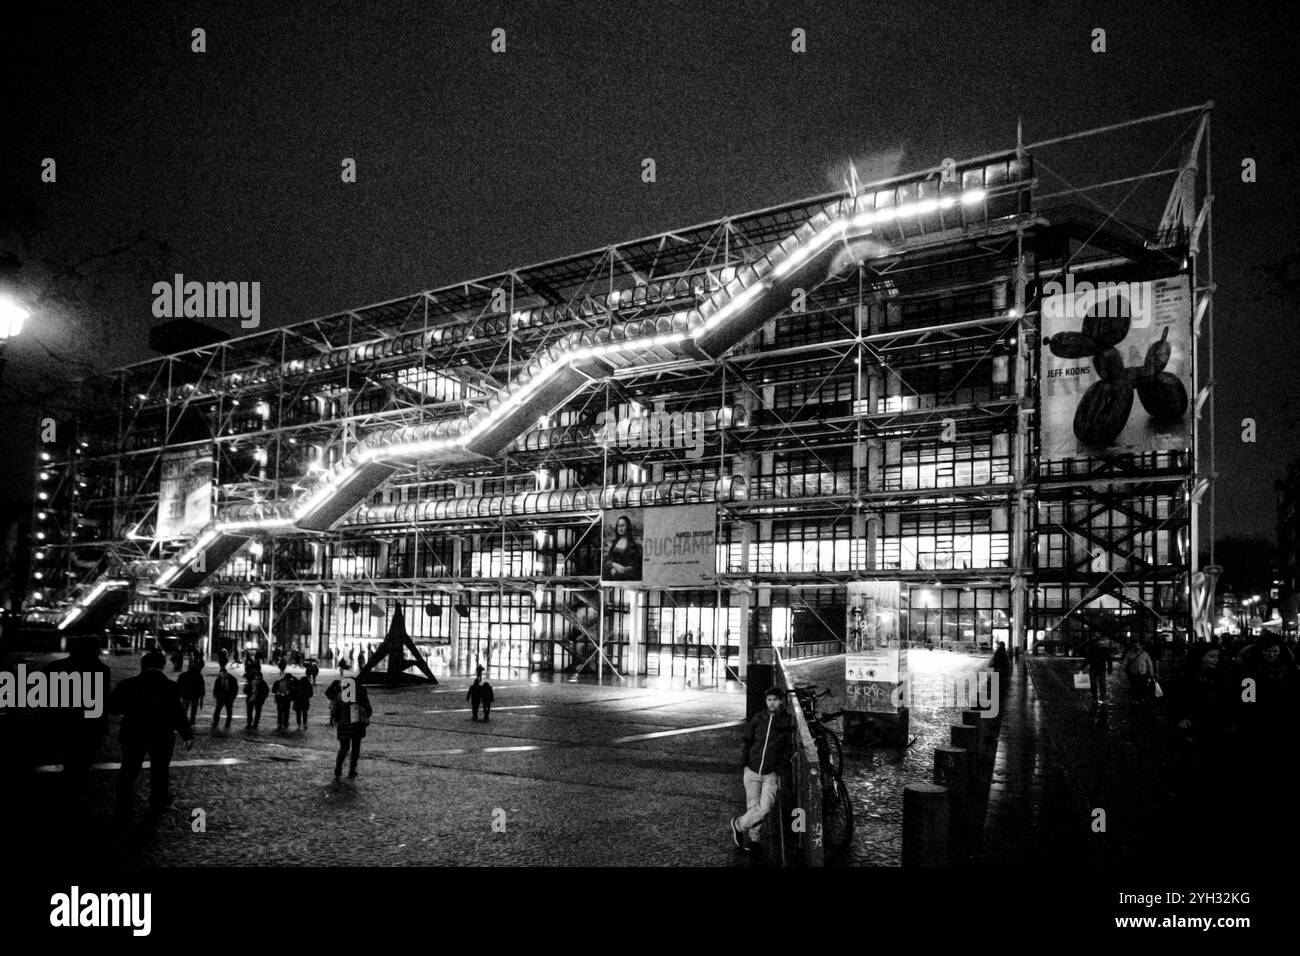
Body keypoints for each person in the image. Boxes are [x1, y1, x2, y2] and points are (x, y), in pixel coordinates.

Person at [109, 651, 194, 821]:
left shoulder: (128, 684)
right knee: (160, 770)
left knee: (129, 769)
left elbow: (113, 708)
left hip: (134, 733)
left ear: (143, 665)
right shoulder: (170, 686)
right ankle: (157, 801)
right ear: (162, 666)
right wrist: (187, 735)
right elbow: (178, 712)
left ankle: (123, 803)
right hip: (161, 735)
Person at [43, 635, 112, 810]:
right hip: (89, 724)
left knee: (68, 756)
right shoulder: (100, 669)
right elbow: (102, 699)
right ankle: (77, 790)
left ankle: (67, 788)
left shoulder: (56, 667)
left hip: (63, 720)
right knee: (83, 760)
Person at [729, 687, 794, 855]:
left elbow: (788, 748)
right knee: (753, 805)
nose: (772, 703)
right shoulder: (758, 718)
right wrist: (745, 763)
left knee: (765, 807)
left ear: (781, 701)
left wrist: (779, 768)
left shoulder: (786, 721)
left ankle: (738, 824)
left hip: (770, 773)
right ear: (766, 701)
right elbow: (747, 741)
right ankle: (755, 839)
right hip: (752, 769)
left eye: (775, 699)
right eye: (769, 699)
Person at [331, 678, 372, 779]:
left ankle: (338, 769)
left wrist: (338, 720)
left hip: (343, 726)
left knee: (344, 748)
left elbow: (334, 713)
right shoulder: (360, 697)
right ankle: (352, 770)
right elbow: (369, 710)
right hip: (357, 726)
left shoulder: (340, 697)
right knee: (356, 748)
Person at [603, 515, 643, 581]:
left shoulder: (633, 545)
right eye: (619, 526)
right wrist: (614, 565)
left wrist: (623, 570)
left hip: (626, 578)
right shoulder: (614, 544)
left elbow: (635, 566)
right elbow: (607, 560)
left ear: (628, 527)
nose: (620, 528)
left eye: (623, 525)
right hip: (612, 575)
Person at [1079, 635, 1113, 705]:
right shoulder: (1093, 649)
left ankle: (1100, 697)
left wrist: (1110, 668)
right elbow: (1087, 658)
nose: (1099, 643)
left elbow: (1109, 659)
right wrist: (1082, 666)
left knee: (1100, 683)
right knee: (1096, 683)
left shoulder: (1103, 649)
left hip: (1098, 668)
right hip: (1096, 668)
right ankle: (1096, 697)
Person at [177, 657, 206, 724]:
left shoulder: (183, 675)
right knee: (193, 709)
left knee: (185, 708)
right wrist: (202, 696)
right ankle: (192, 720)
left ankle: (183, 720)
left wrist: (179, 694)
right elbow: (202, 686)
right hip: (195, 695)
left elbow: (178, 685)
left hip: (186, 695)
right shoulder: (198, 676)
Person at [212, 662, 239, 732]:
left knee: (229, 710)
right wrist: (215, 694)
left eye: (224, 674)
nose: (222, 675)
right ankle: (215, 722)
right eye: (221, 674)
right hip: (220, 697)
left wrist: (233, 697)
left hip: (229, 697)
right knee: (217, 710)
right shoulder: (218, 679)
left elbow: (235, 688)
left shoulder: (232, 679)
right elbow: (216, 687)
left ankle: (228, 723)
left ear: (226, 673)